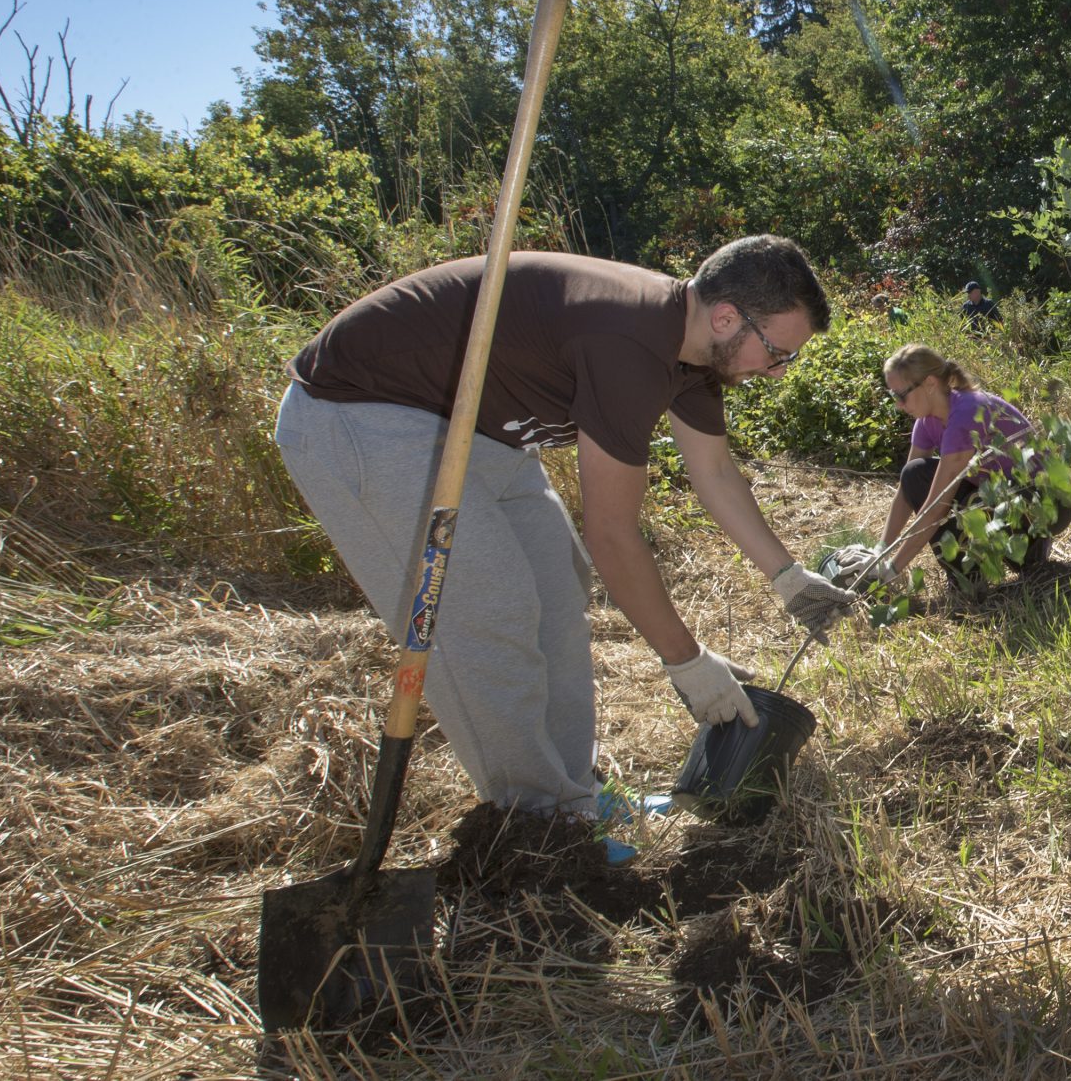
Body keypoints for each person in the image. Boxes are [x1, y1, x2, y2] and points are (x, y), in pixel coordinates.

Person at [272, 237, 867, 825]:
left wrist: (788, 578)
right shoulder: (626, 341)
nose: (776, 370)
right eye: (776, 352)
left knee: (560, 587)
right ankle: (537, 820)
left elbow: (712, 471)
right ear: (726, 316)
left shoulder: (693, 354)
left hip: (485, 434)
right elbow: (612, 534)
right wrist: (686, 662)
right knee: (489, 604)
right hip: (365, 415)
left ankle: (574, 794)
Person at [873, 344, 1066, 586]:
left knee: (953, 498)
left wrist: (892, 569)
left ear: (930, 384)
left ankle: (1013, 558)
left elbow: (935, 508)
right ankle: (992, 566)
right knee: (914, 475)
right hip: (1003, 497)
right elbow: (906, 489)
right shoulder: (926, 422)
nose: (898, 405)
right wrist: (878, 553)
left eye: (901, 395)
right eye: (893, 396)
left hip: (1046, 502)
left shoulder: (965, 414)